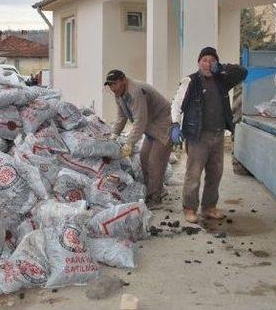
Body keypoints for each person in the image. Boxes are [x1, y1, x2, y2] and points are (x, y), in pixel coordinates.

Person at [171, 47, 248, 223]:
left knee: (216, 173)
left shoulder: (222, 79)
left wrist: (221, 67)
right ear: (199, 62)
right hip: (198, 136)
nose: (207, 63)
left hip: (218, 134)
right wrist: (175, 124)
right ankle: (190, 208)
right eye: (204, 60)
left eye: (211, 60)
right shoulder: (190, 81)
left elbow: (242, 73)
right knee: (194, 174)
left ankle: (209, 207)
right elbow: (176, 104)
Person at [104, 69, 172, 206]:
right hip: (149, 125)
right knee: (144, 158)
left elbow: (139, 121)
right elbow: (121, 117)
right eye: (110, 85)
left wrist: (129, 145)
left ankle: (155, 198)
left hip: (161, 124)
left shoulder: (135, 92)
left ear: (123, 80)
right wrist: (112, 137)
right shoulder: (119, 93)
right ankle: (156, 191)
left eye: (115, 84)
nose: (112, 88)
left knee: (155, 162)